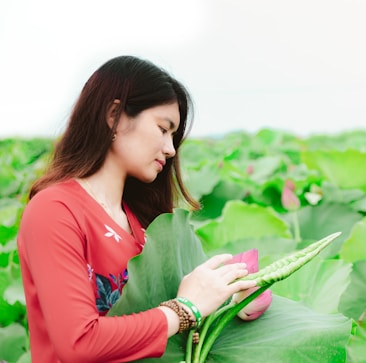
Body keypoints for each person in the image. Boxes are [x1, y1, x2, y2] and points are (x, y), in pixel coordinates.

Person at [17, 55, 257, 362]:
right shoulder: (54, 210)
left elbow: (165, 331)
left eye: (174, 137)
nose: (170, 150)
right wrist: (185, 309)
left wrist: (230, 303)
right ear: (114, 115)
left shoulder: (142, 224)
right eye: (163, 128)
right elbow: (78, 343)